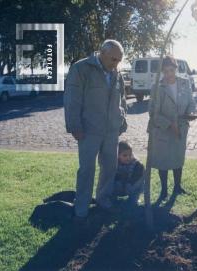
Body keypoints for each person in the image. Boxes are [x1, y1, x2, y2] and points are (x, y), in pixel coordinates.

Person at [64, 39, 127, 222]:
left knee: (109, 167)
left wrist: (122, 121)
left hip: (111, 130)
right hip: (88, 130)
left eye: (119, 60)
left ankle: (103, 200)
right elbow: (72, 99)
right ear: (102, 53)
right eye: (113, 59)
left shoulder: (117, 72)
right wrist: (74, 125)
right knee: (86, 170)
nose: (116, 63)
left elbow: (122, 100)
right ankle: (81, 207)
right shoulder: (81, 68)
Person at [148, 55, 196, 200]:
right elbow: (153, 112)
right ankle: (163, 190)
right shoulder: (157, 87)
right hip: (162, 128)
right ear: (162, 71)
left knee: (177, 156)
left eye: (171, 70)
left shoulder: (185, 82)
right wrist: (169, 124)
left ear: (176, 69)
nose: (169, 74)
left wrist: (190, 113)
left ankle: (177, 187)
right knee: (163, 160)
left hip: (181, 127)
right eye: (166, 71)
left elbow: (191, 102)